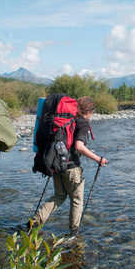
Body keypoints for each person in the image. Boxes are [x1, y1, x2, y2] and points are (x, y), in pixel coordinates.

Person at [29, 96, 108, 235]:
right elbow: (78, 146)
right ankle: (74, 233)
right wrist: (98, 159)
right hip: (72, 168)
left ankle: (35, 221)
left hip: (56, 164)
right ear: (88, 111)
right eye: (91, 113)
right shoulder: (82, 123)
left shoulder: (65, 120)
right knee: (77, 201)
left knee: (59, 196)